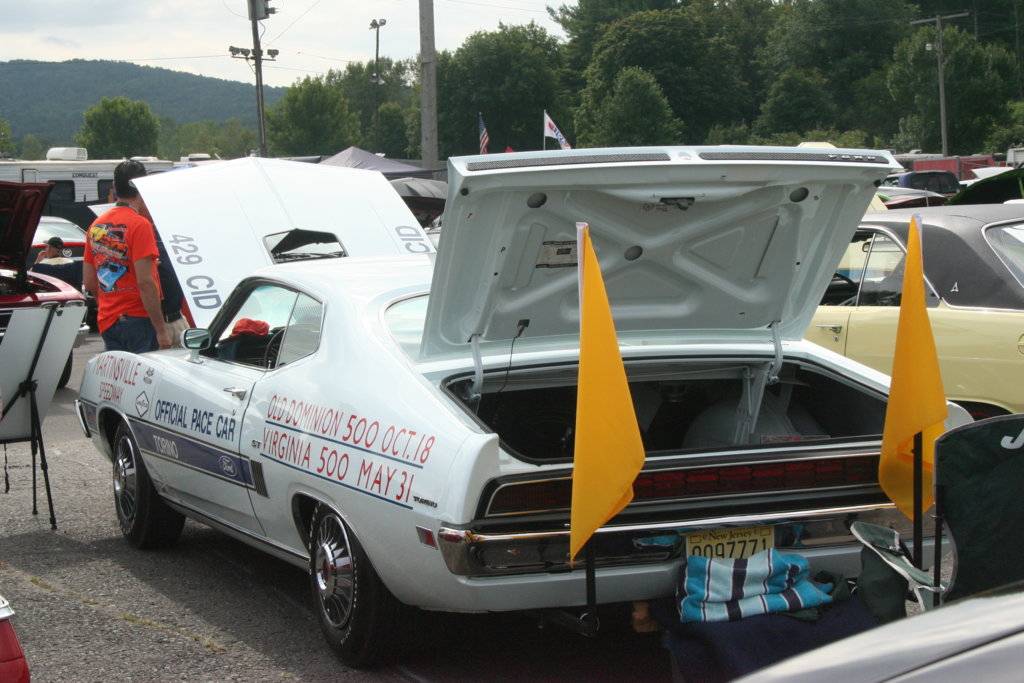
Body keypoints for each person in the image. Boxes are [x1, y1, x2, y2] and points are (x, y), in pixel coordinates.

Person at [83, 160, 171, 353]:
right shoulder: (140, 225)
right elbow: (145, 282)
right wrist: (161, 329)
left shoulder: (96, 225)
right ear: (141, 186)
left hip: (108, 320)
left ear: (115, 187)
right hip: (138, 320)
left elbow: (89, 282)